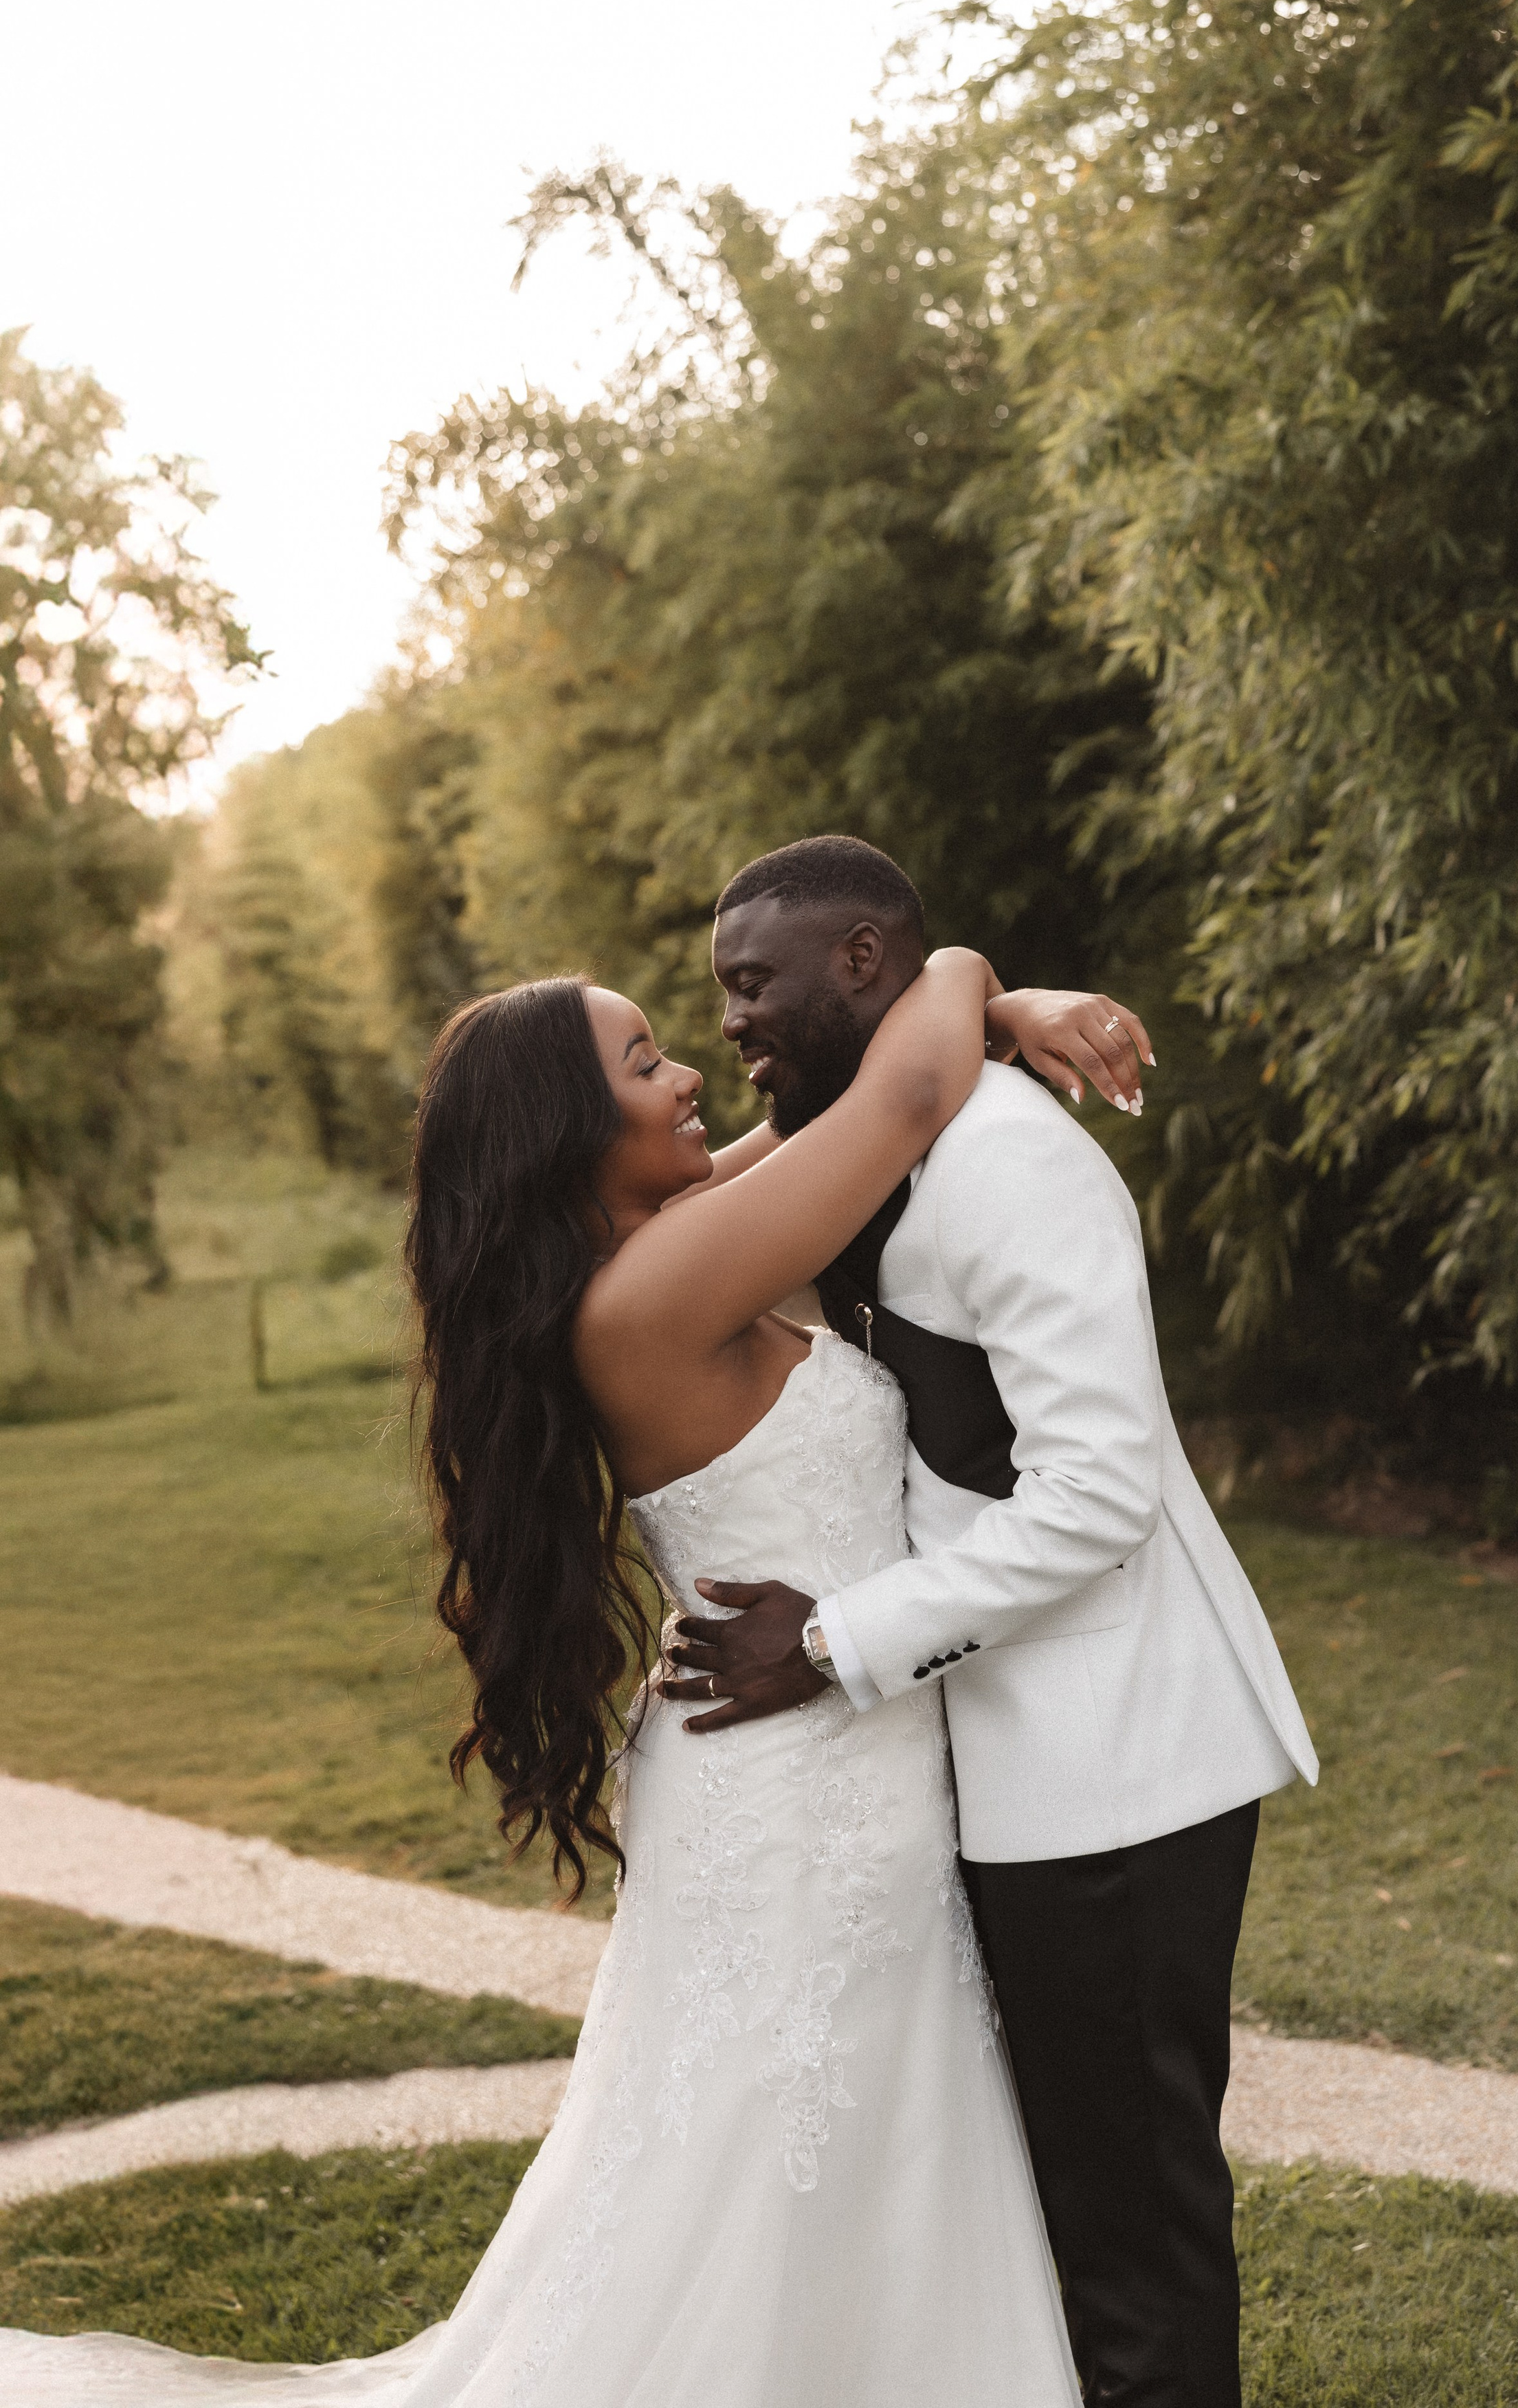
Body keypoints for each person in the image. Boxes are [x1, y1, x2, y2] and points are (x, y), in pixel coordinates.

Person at [0, 939, 1146, 2407]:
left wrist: (986, 1016)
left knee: (795, 2147)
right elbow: (906, 1090)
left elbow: (830, 1110)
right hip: (796, 1792)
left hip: (807, 1760)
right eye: (647, 1062)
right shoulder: (659, 1285)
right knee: (775, 2156)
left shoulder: (661, 1250)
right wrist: (973, 969)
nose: (689, 1075)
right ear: (568, 1132)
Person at [667, 835, 1318, 2408]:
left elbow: (1095, 1502)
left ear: (860, 965)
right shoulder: (866, 1140)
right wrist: (992, 994)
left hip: (1115, 1770)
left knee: (1132, 2225)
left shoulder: (1009, 1166)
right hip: (1021, 1765)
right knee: (1075, 2204)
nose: (730, 1022)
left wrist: (825, 1642)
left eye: (750, 985)